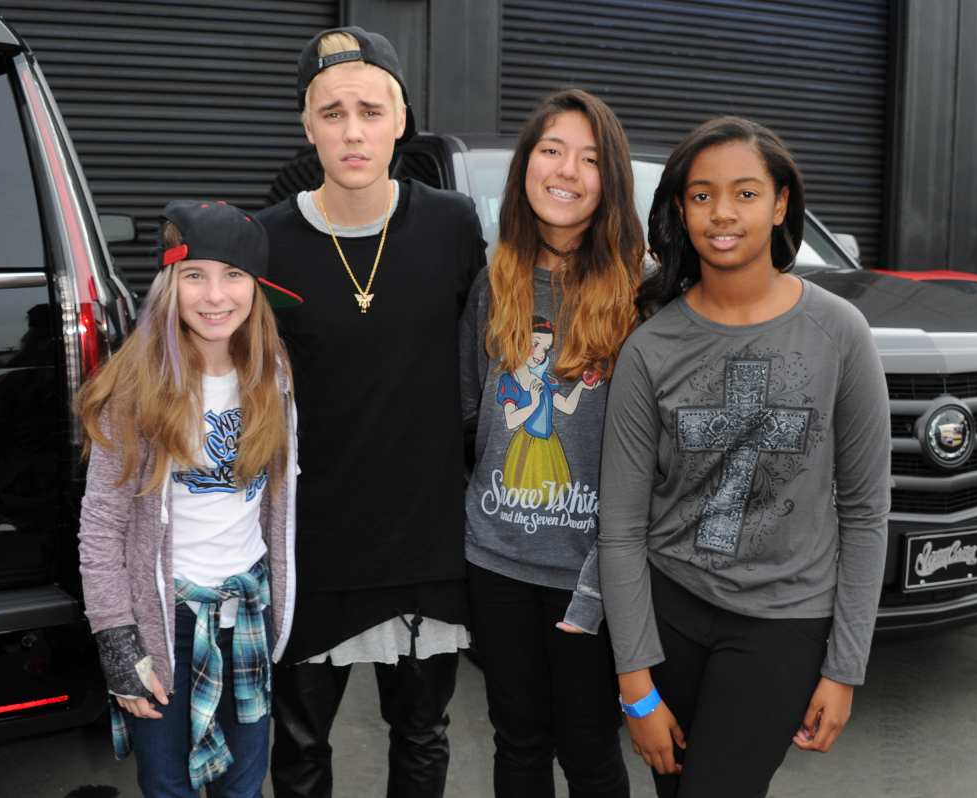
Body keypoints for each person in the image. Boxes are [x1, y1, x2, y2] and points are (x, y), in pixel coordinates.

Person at [598, 116, 890, 797]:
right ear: (680, 208)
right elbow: (621, 528)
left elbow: (867, 512)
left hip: (784, 625)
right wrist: (636, 687)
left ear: (781, 202)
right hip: (670, 615)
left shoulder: (839, 334)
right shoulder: (650, 348)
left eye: (745, 193)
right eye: (701, 195)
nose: (721, 213)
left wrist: (845, 668)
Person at [256, 26, 486, 798]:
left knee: (421, 736)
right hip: (311, 542)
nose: (352, 130)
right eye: (331, 112)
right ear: (305, 125)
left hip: (425, 540)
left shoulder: (454, 226)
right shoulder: (268, 241)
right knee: (298, 749)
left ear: (401, 119)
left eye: (370, 109)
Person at [77, 199, 302, 797]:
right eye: (194, 275)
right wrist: (118, 641)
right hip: (164, 622)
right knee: (167, 783)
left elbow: (279, 504)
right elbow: (101, 527)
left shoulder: (271, 374)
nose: (214, 295)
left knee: (244, 784)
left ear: (257, 289)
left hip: (245, 614)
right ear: (168, 285)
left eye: (234, 276)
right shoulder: (135, 387)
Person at [459, 88, 642, 798]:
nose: (566, 170)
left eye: (590, 158)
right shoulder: (493, 281)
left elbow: (647, 463)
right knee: (518, 742)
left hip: (588, 573)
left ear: (611, 181)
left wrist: (603, 583)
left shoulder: (641, 296)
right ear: (526, 166)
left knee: (590, 751)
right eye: (551, 149)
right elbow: (472, 418)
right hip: (495, 561)